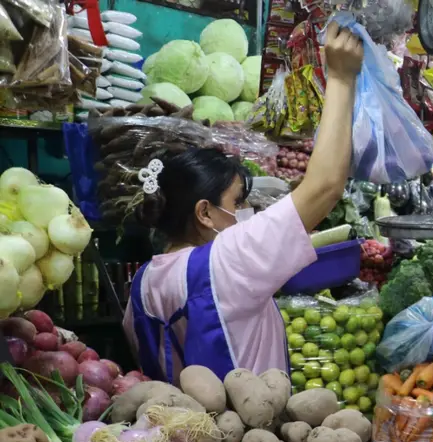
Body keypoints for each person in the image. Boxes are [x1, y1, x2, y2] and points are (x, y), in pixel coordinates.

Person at [123, 23, 364, 382]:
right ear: (204, 212)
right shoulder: (229, 261)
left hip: (179, 432)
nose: (245, 214)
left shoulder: (142, 285)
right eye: (237, 202)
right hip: (248, 434)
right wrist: (342, 78)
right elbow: (326, 185)